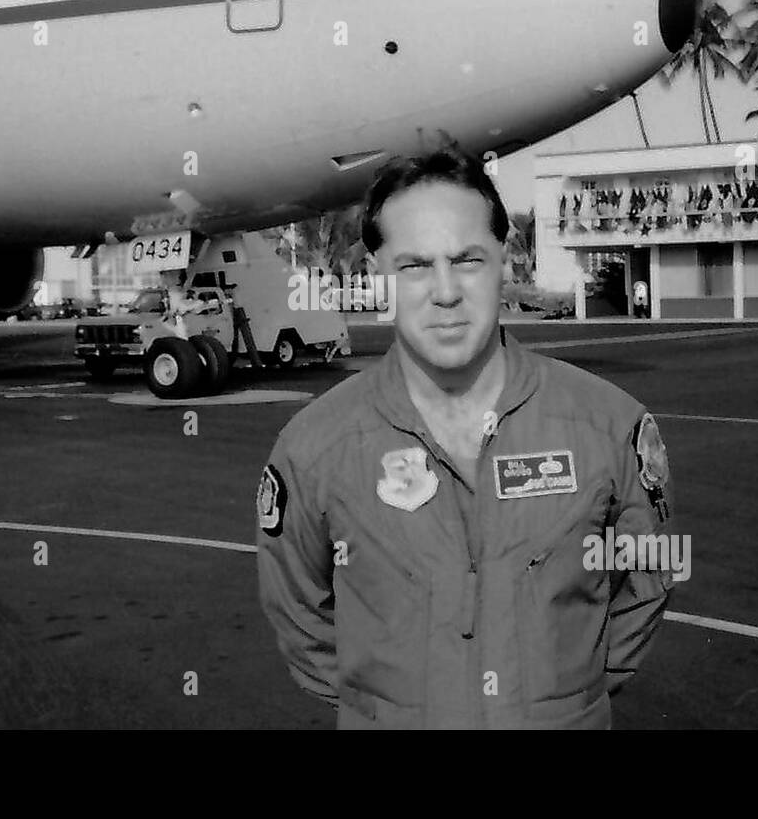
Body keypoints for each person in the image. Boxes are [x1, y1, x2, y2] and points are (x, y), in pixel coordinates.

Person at [256, 143, 677, 729]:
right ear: (380, 272)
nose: (446, 290)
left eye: (468, 259)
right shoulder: (313, 449)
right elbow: (301, 616)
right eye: (415, 265)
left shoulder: (609, 426)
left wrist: (562, 699)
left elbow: (647, 579)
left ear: (504, 258)